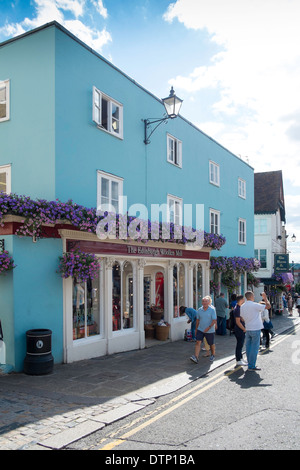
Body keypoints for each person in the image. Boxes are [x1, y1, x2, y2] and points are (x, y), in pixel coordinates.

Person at [240, 291, 271, 371]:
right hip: (256, 328)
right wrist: (265, 297)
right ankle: (251, 365)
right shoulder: (255, 305)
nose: (254, 296)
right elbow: (268, 306)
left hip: (248, 328)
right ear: (251, 296)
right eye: (253, 295)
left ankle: (249, 363)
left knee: (248, 347)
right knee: (254, 348)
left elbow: (242, 318)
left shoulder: (242, 306)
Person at [190, 296, 217, 363]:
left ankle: (213, 354)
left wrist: (209, 327)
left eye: (206, 301)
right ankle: (196, 357)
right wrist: (196, 329)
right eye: (203, 301)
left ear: (208, 302)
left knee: (211, 343)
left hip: (210, 330)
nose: (204, 303)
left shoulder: (212, 310)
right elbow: (197, 320)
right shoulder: (199, 310)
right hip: (200, 329)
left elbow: (214, 320)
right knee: (198, 342)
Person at [233, 295, 247, 366]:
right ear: (241, 300)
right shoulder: (238, 309)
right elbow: (238, 322)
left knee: (241, 344)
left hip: (239, 329)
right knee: (239, 344)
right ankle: (238, 360)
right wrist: (244, 329)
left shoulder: (238, 307)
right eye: (243, 299)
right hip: (239, 330)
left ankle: (241, 358)